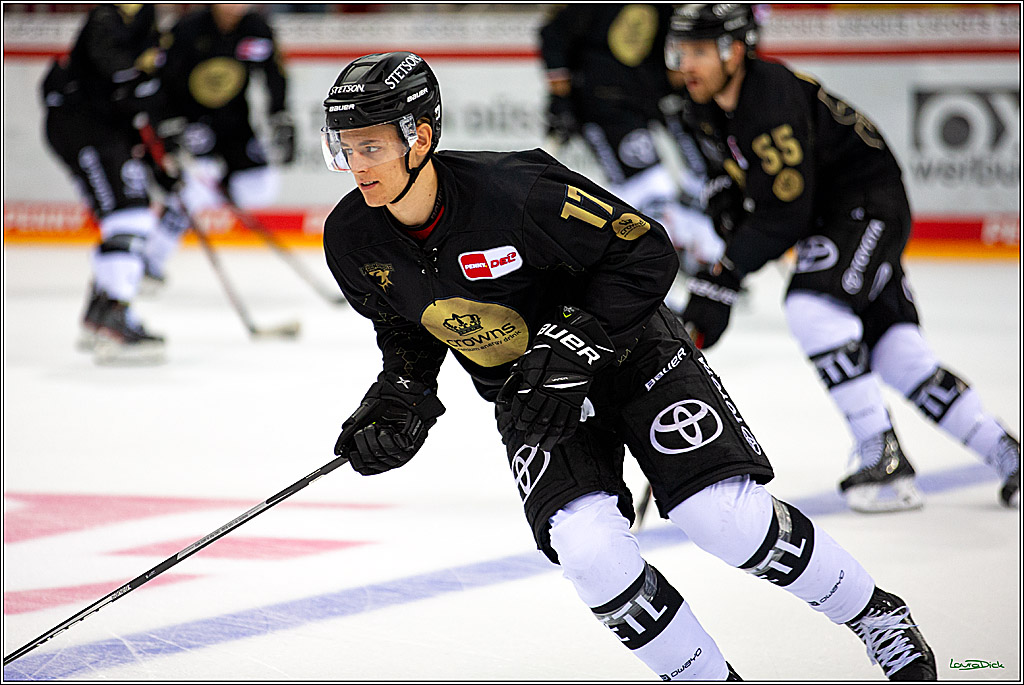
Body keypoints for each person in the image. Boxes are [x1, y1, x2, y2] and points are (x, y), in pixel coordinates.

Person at [320, 51, 937, 681]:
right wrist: (399, 394)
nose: (354, 165)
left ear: (419, 137)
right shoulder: (350, 236)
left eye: (370, 147)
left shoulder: (518, 192)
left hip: (633, 352)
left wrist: (572, 344)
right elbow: (405, 326)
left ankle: (874, 615)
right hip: (534, 395)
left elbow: (644, 248)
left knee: (722, 517)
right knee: (587, 550)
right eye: (344, 148)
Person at [664, 4, 1020, 513]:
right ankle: (1007, 455)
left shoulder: (769, 100)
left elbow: (783, 215)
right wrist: (725, 207)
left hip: (865, 208)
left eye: (699, 51)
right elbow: (720, 168)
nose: (686, 63)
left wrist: (723, 277)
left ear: (734, 51)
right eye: (682, 50)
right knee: (900, 356)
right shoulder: (704, 100)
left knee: (812, 308)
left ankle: (883, 452)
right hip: (835, 217)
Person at [538, 4, 724, 281]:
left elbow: (668, 45)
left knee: (689, 183)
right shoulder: (589, 9)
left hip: (642, 103)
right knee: (650, 186)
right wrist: (561, 99)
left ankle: (690, 258)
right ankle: (651, 270)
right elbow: (553, 35)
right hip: (602, 107)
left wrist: (673, 86)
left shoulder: (663, 9)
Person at [41, 3, 168, 364]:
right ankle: (113, 317)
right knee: (127, 218)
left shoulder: (146, 21)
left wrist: (160, 160)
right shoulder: (106, 18)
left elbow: (136, 96)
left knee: (133, 216)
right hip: (80, 126)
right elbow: (118, 72)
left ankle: (101, 313)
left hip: (106, 129)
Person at [143, 3, 295, 289]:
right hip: (192, 122)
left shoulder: (256, 29)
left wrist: (280, 115)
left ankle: (206, 189)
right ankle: (150, 259)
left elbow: (274, 74)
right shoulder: (187, 29)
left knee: (261, 186)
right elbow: (161, 80)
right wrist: (169, 124)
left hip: (236, 124)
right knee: (192, 188)